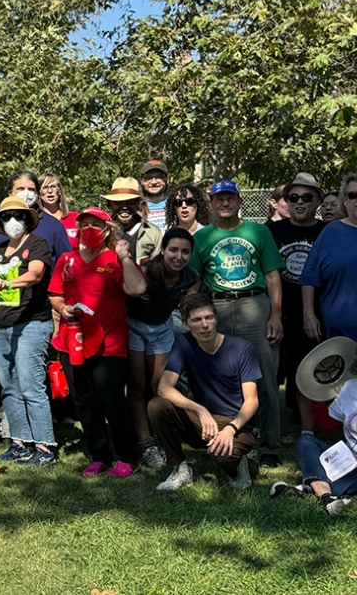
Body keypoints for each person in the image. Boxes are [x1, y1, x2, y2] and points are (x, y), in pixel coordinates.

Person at [189, 179, 284, 469]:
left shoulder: (258, 231)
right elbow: (194, 281)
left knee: (265, 379)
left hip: (254, 304)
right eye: (220, 199)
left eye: (231, 198)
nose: (225, 203)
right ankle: (229, 439)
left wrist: (276, 315)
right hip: (216, 306)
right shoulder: (202, 237)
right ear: (212, 203)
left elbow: (272, 276)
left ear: (240, 202)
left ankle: (270, 446)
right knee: (221, 379)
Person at [49, 206, 147, 477]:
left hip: (109, 345)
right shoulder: (66, 260)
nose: (88, 229)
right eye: (84, 224)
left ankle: (128, 456)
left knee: (113, 401)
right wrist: (62, 308)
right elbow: (55, 294)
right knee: (84, 401)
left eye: (95, 224)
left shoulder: (114, 259)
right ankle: (99, 455)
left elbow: (137, 289)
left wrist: (125, 256)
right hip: (73, 342)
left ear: (106, 230)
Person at [148, 293, 258, 491]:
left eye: (209, 317)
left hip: (237, 424)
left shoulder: (241, 348)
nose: (205, 325)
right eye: (197, 320)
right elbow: (164, 387)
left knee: (221, 455)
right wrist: (200, 410)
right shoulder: (183, 343)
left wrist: (231, 429)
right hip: (203, 423)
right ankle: (180, 470)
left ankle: (238, 464)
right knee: (157, 405)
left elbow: (252, 401)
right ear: (186, 324)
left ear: (216, 318)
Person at [0, 197, 57, 466]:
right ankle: (20, 443)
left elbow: (36, 275)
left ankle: (45, 447)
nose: (11, 221)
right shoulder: (1, 248)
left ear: (27, 219)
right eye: (5, 217)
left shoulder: (37, 244)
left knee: (31, 388)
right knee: (10, 389)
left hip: (31, 325)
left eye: (17, 215)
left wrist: (8, 283)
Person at [125, 228, 199, 468]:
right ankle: (144, 442)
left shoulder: (191, 277)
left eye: (185, 252)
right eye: (173, 250)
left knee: (160, 387)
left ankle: (161, 438)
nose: (179, 256)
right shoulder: (145, 269)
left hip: (162, 330)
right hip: (134, 327)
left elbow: (189, 307)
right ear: (163, 250)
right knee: (137, 386)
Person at [266, 173, 326, 430]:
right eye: (293, 197)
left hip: (315, 311)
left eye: (306, 197)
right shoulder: (271, 230)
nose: (299, 202)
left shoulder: (326, 231)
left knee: (308, 369)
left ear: (317, 201)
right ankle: (267, 424)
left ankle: (307, 424)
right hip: (278, 310)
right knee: (275, 370)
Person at [272, 337, 357, 514]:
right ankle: (325, 495)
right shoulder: (349, 388)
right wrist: (315, 390)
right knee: (306, 440)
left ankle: (311, 490)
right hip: (348, 460)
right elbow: (327, 424)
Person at [301, 175, 357, 341]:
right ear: (345, 202)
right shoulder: (331, 232)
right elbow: (309, 278)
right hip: (339, 335)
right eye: (353, 195)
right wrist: (308, 314)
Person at [0, 170, 72, 262]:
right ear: (10, 193)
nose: (26, 193)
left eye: (31, 189)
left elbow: (65, 264)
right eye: (21, 189)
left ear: (37, 194)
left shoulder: (54, 226)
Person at [103, 177, 162, 266]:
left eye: (130, 202)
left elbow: (157, 270)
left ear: (138, 204)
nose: (124, 207)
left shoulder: (153, 233)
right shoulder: (102, 231)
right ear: (110, 204)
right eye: (119, 202)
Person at [39, 172, 78, 249]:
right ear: (39, 193)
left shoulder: (76, 218)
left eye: (53, 186)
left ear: (59, 190)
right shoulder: (35, 222)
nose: (49, 191)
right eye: (45, 187)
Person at [139, 160, 169, 230]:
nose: (154, 182)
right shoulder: (135, 208)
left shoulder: (177, 205)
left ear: (167, 180)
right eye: (149, 178)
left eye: (159, 177)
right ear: (141, 181)